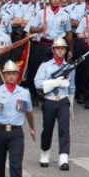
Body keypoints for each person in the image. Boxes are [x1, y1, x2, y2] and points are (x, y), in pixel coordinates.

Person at [34, 37, 75, 170]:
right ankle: (45, 153)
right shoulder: (45, 66)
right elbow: (37, 83)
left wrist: (71, 102)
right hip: (50, 100)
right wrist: (53, 83)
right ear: (53, 50)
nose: (60, 51)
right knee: (47, 129)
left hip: (63, 100)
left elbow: (72, 86)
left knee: (64, 129)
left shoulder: (68, 67)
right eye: (58, 48)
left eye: (62, 48)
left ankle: (64, 157)